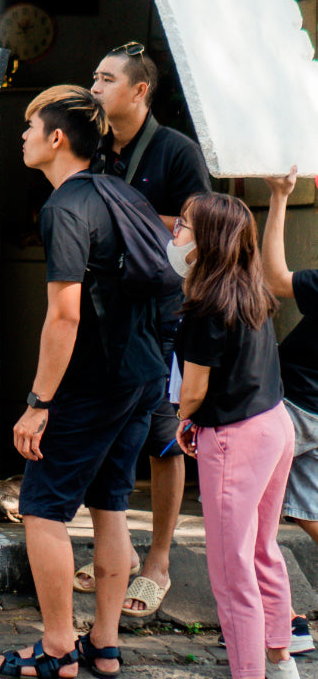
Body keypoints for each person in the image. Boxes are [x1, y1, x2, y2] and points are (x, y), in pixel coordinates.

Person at [0, 85, 165, 679]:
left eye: (31, 126)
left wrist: (38, 404)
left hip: (92, 382)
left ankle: (58, 649)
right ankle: (104, 645)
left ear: (57, 138)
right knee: (111, 506)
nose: (23, 135)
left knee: (41, 509)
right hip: (141, 375)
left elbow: (64, 316)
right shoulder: (125, 194)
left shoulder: (62, 208)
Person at [88, 41, 212, 618]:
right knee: (106, 428)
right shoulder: (93, 146)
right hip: (104, 310)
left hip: (162, 315)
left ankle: (159, 557)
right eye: (95, 78)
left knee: (164, 435)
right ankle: (119, 551)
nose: (95, 87)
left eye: (108, 79)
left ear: (140, 90)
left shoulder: (175, 151)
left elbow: (204, 231)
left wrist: (127, 215)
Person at [172, 193, 302, 679]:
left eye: (182, 226)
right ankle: (281, 661)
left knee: (230, 567)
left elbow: (195, 389)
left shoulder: (204, 305)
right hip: (274, 425)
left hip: (234, 439)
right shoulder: (249, 290)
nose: (174, 233)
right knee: (263, 549)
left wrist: (180, 420)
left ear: (206, 241)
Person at [259, 165, 318, 656]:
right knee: (311, 511)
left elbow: (275, 279)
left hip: (294, 404)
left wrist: (278, 199)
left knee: (251, 513)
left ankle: (284, 623)